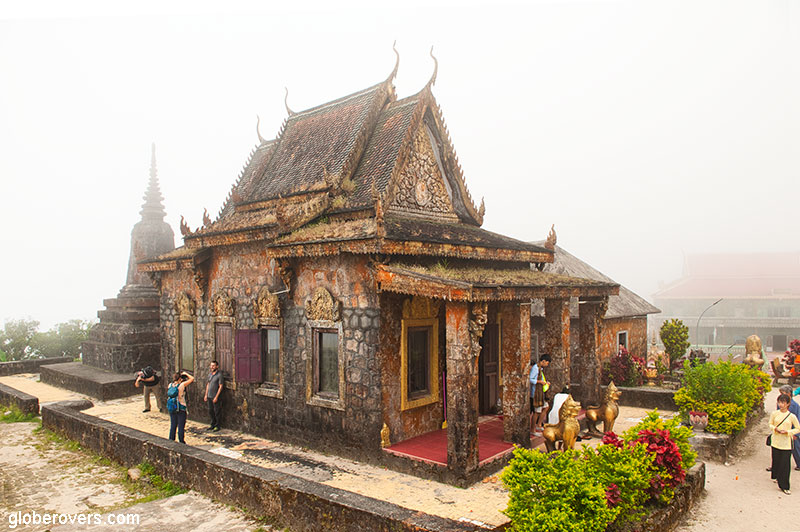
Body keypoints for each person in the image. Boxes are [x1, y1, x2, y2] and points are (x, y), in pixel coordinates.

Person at [769, 393, 800, 494]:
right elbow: (770, 424)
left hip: (786, 443)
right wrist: (775, 429)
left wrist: (788, 432)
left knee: (785, 464)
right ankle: (776, 476)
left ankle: (785, 485)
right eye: (779, 402)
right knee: (776, 460)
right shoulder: (775, 413)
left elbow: (798, 428)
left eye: (783, 402)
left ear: (788, 404)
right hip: (776, 441)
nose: (781, 404)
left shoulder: (792, 416)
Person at [167, 371, 194, 444]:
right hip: (181, 407)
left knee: (173, 425)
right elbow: (192, 379)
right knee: (181, 426)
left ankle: (171, 439)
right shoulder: (181, 385)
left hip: (172, 407)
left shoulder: (170, 385)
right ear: (180, 379)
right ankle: (181, 441)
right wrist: (186, 374)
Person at [530, 354, 551, 434]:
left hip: (541, 392)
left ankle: (539, 424)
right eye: (547, 363)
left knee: (546, 407)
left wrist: (545, 383)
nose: (547, 365)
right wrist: (540, 382)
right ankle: (532, 429)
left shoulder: (540, 369)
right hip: (536, 393)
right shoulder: (535, 368)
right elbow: (530, 379)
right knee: (537, 411)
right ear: (543, 361)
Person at [204, 360, 223, 432]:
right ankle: (212, 424)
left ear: (217, 366)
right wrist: (206, 395)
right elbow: (208, 385)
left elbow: (220, 386)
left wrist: (216, 397)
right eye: (211, 365)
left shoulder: (219, 375)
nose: (212, 367)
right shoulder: (210, 375)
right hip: (209, 396)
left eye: (213, 366)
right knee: (210, 410)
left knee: (217, 411)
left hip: (215, 396)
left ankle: (217, 425)